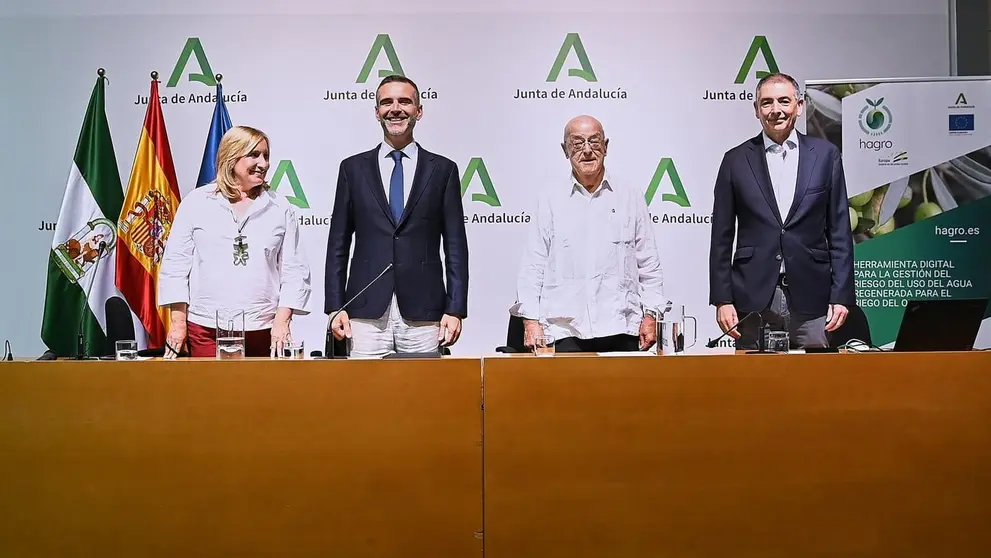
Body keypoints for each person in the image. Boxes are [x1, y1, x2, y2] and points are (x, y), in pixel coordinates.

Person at [708, 72, 855, 350]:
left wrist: (842, 294)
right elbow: (721, 238)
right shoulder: (735, 160)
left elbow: (839, 232)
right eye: (767, 103)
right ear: (756, 110)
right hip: (752, 297)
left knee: (815, 383)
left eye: (784, 101)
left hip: (813, 297)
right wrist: (722, 299)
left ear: (799, 106)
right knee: (754, 386)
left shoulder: (826, 156)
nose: (776, 110)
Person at [326, 75, 468, 358]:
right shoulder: (352, 169)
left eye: (405, 101)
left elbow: (455, 246)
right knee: (364, 397)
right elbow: (337, 245)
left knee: (422, 397)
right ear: (377, 111)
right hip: (363, 312)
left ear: (419, 110)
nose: (395, 108)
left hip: (424, 313)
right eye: (386, 102)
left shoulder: (443, 170)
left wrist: (455, 309)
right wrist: (334, 306)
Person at [511, 115, 666, 353]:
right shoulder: (550, 199)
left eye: (594, 142)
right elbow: (534, 265)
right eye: (577, 143)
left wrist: (651, 315)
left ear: (605, 146)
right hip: (564, 331)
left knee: (624, 392)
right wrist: (531, 321)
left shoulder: (630, 196)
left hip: (622, 325)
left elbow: (649, 264)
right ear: (565, 150)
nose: (586, 151)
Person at [158, 125, 311, 359]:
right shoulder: (196, 202)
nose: (264, 163)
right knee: (211, 395)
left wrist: (282, 321)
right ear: (231, 157)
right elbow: (175, 267)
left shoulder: (279, 207)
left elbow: (294, 270)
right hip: (206, 329)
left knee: (259, 396)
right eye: (254, 155)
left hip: (263, 328)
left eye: (266, 156)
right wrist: (178, 323)